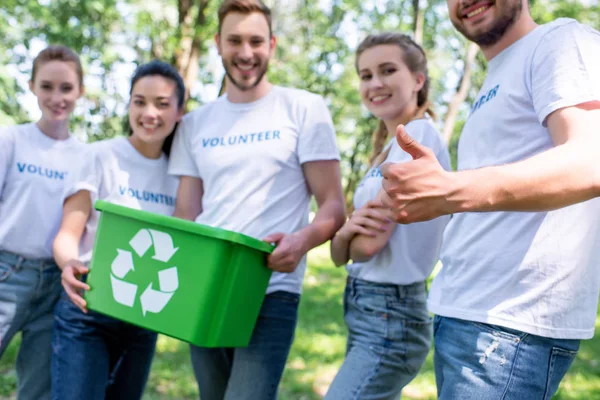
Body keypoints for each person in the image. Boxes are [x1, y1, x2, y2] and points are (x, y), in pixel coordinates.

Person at [378, 0, 600, 398]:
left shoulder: (559, 41)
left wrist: (448, 191)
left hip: (510, 329)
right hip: (467, 316)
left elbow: (592, 161)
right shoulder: (498, 75)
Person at [168, 0, 346, 398]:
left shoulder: (304, 109)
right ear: (217, 43)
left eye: (255, 41)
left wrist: (302, 242)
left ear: (273, 45)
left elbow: (334, 206)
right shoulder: (194, 124)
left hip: (270, 287)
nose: (245, 53)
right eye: (234, 40)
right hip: (206, 287)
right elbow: (185, 215)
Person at [327, 33, 450, 400]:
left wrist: (345, 235)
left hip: (390, 318)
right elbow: (340, 256)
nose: (374, 83)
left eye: (387, 70)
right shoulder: (387, 148)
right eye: (365, 75)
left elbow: (365, 247)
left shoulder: (418, 137)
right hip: (369, 310)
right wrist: (345, 236)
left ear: (418, 79)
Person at [50, 60, 184, 400]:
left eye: (162, 103)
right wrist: (68, 263)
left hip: (144, 318)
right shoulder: (100, 156)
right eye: (139, 101)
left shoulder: (182, 176)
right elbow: (68, 234)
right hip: (89, 310)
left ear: (180, 112)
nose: (149, 113)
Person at [0, 45, 85, 400]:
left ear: (79, 91)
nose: (56, 97)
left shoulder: (86, 155)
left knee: (38, 389)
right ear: (33, 86)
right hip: (7, 274)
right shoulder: (11, 140)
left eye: (66, 88)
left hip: (56, 284)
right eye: (47, 86)